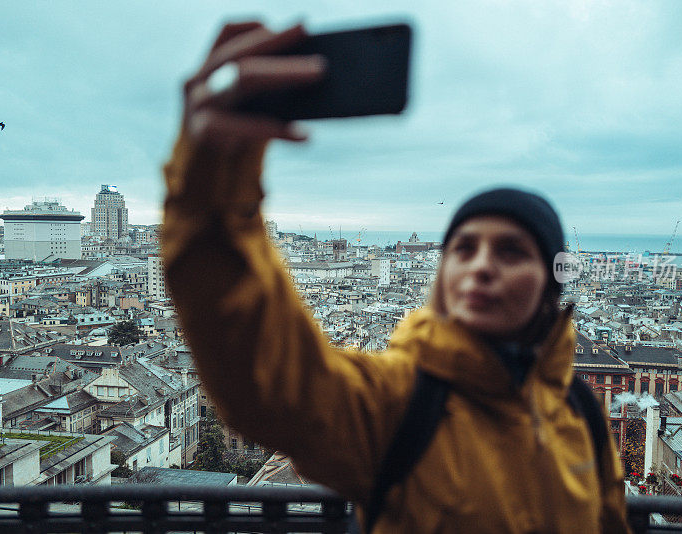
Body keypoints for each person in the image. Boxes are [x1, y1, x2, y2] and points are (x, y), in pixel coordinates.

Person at [162, 22, 630, 533]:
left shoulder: (581, 413)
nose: (481, 266)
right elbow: (270, 383)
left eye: (512, 251)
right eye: (464, 248)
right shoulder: (399, 403)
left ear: (550, 281)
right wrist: (212, 187)